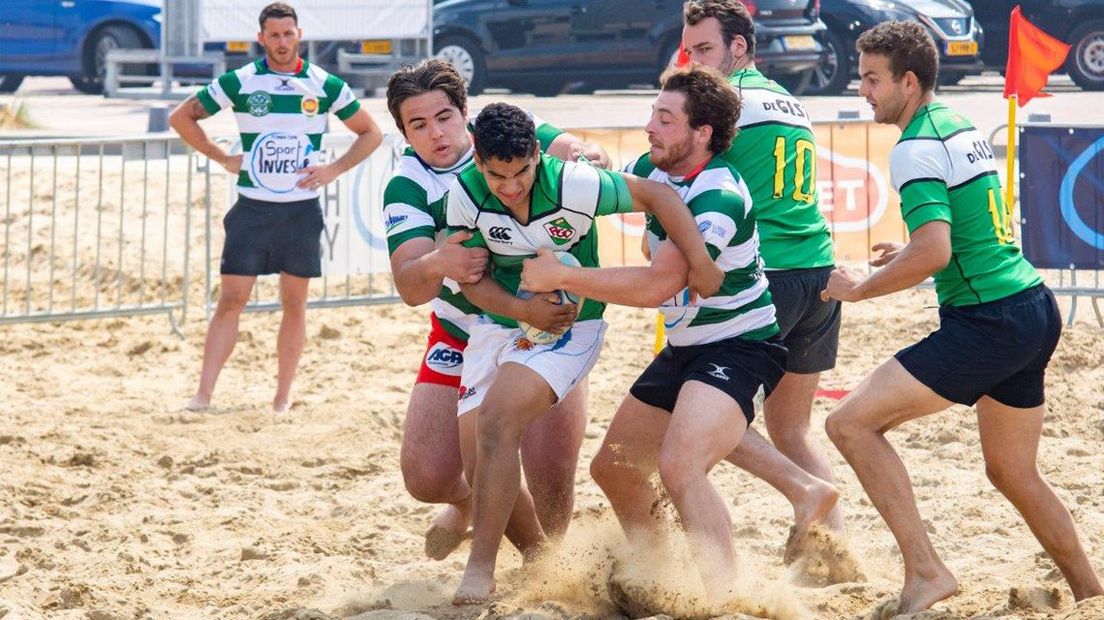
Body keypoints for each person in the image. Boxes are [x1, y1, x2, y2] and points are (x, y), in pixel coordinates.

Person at [821, 20, 1104, 615]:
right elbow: (964, 228)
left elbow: (937, 252)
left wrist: (860, 288)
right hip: (1030, 307)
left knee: (848, 425)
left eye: (872, 79)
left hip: (990, 322)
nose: (862, 90)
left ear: (908, 80)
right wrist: (906, 252)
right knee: (1012, 472)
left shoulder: (914, 146)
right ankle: (1091, 593)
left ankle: (926, 571)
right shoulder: (954, 123)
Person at [522, 65, 809, 605]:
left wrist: (561, 275)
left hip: (741, 346)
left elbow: (658, 286)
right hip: (688, 347)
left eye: (664, 118)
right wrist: (583, 155)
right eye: (653, 113)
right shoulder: (658, 169)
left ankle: (729, 598)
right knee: (615, 469)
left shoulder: (719, 193)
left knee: (681, 466)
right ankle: (661, 577)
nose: (649, 125)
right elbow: (607, 168)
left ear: (701, 134)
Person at [447, 102, 724, 604]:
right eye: (496, 176)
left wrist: (701, 261)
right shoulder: (464, 194)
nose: (510, 187)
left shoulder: (576, 183)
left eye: (521, 173)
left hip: (571, 326)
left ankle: (480, 569)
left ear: (537, 155)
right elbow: (471, 284)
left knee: (497, 422)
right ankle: (551, 567)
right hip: (504, 322)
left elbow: (659, 195)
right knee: (478, 459)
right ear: (478, 162)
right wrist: (519, 308)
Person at [382, 59, 609, 560]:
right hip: (463, 327)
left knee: (551, 475)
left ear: (464, 111)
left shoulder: (500, 131)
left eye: (443, 117)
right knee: (427, 475)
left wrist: (590, 154)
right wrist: (439, 260)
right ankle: (473, 505)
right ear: (403, 133)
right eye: (418, 125)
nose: (436, 134)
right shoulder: (408, 183)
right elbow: (409, 285)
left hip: (546, 324)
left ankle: (546, 573)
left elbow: (576, 149)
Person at [680, 0, 847, 537]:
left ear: (739, 46)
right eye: (690, 51)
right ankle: (834, 547)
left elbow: (681, 174)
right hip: (819, 271)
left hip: (765, 276)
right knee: (793, 429)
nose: (695, 64)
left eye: (706, 50)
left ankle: (808, 494)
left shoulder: (724, 106)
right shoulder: (787, 99)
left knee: (697, 415)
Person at [170, 2, 383, 413]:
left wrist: (334, 169)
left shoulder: (324, 85)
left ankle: (282, 398)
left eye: (289, 34)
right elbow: (181, 118)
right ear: (261, 38)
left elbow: (370, 133)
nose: (282, 42)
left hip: (301, 211)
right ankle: (203, 395)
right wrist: (222, 157)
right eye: (274, 35)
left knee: (294, 303)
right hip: (252, 208)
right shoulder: (241, 81)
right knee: (231, 301)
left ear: (299, 35)